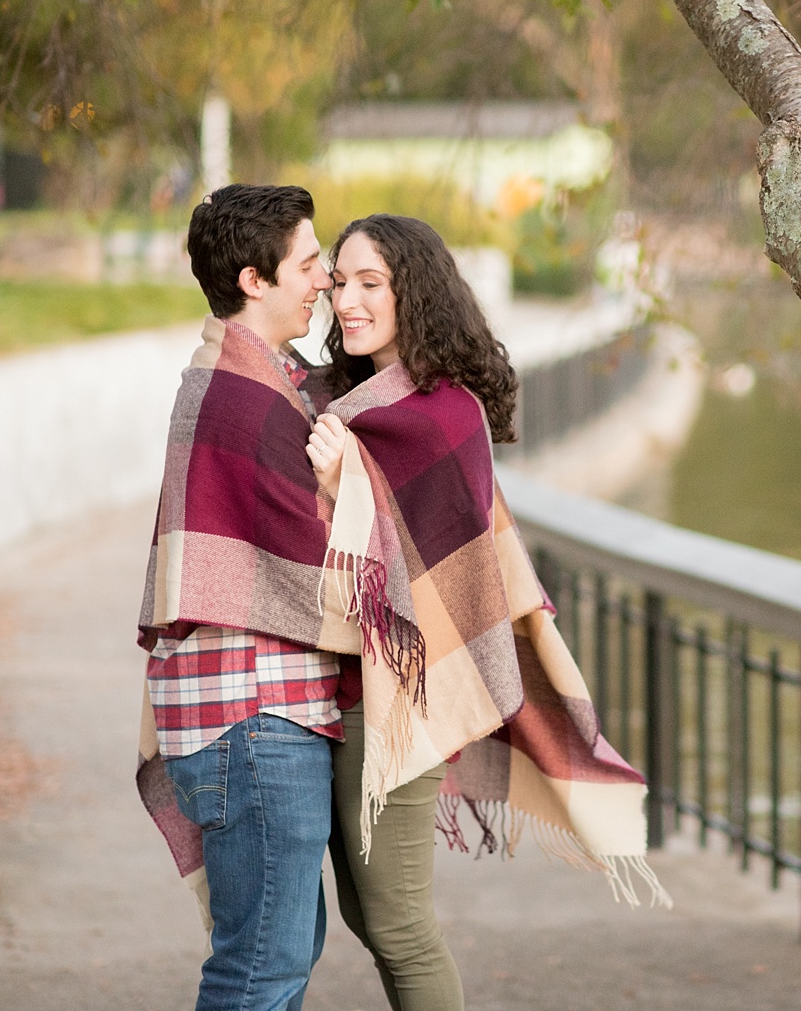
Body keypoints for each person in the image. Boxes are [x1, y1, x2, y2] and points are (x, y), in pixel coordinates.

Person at [303, 215, 667, 1011]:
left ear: (416, 291)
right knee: (369, 917)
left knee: (400, 925)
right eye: (340, 281)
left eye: (372, 283)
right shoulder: (345, 400)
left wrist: (340, 485)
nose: (350, 300)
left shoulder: (446, 415)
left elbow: (430, 571)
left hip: (403, 700)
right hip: (337, 694)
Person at [135, 183, 357, 1011]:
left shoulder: (242, 378)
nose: (325, 281)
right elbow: (318, 561)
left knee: (278, 952)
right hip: (256, 722)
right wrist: (342, 489)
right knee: (260, 965)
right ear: (255, 278)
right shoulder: (245, 399)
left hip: (244, 721)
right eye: (309, 264)